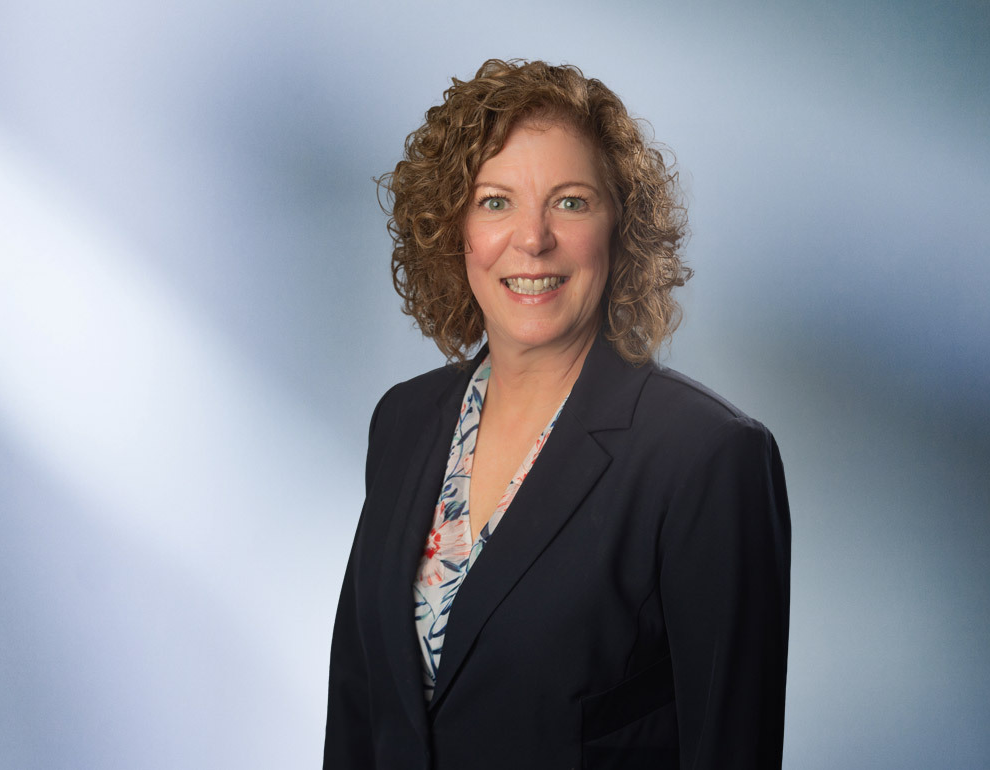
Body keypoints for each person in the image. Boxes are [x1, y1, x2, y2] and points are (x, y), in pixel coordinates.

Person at [324, 59, 791, 769]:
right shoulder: (405, 421)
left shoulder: (704, 459)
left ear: (620, 227)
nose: (533, 238)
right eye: (495, 202)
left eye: (570, 202)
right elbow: (360, 715)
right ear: (452, 227)